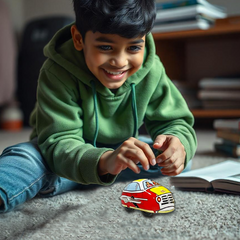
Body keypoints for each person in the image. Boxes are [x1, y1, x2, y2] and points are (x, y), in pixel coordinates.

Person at [0, 0, 197, 213]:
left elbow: (175, 121)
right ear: (78, 38)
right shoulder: (56, 71)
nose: (120, 62)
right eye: (105, 47)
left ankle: (84, 177)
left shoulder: (152, 68)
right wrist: (103, 161)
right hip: (61, 156)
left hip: (120, 154)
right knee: (26, 158)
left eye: (133, 47)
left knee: (178, 158)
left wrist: (176, 142)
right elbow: (59, 141)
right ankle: (78, 175)